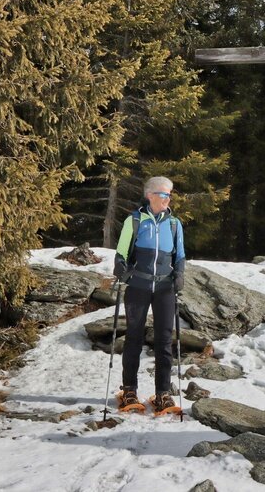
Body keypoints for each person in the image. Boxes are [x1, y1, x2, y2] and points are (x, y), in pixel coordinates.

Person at [112, 176, 186, 415]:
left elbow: (180, 255)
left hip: (165, 288)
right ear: (150, 195)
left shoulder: (174, 224)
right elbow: (122, 251)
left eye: (170, 195)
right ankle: (129, 390)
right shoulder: (134, 221)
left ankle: (163, 393)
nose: (168, 199)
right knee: (134, 336)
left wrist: (180, 273)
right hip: (138, 287)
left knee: (164, 340)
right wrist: (120, 266)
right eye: (164, 194)